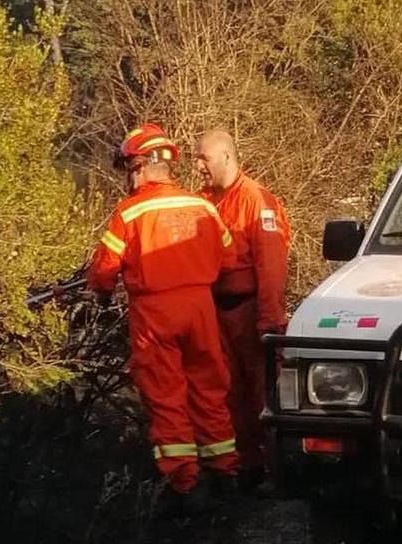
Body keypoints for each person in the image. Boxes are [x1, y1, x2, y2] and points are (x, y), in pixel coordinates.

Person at [87, 124, 240, 513]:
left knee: (166, 392)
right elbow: (229, 257)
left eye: (128, 167)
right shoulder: (203, 206)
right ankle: (225, 471)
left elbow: (105, 269)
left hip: (156, 313)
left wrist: (102, 292)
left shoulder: (131, 211)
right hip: (201, 308)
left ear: (139, 166)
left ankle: (184, 483)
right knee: (210, 388)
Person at [195, 129, 291, 486]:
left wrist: (268, 320)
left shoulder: (256, 201)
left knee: (264, 394)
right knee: (228, 393)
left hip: (251, 312)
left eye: (203, 158)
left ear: (226, 157)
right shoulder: (204, 202)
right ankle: (246, 467)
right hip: (216, 312)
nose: (198, 165)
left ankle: (278, 469)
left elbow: (271, 266)